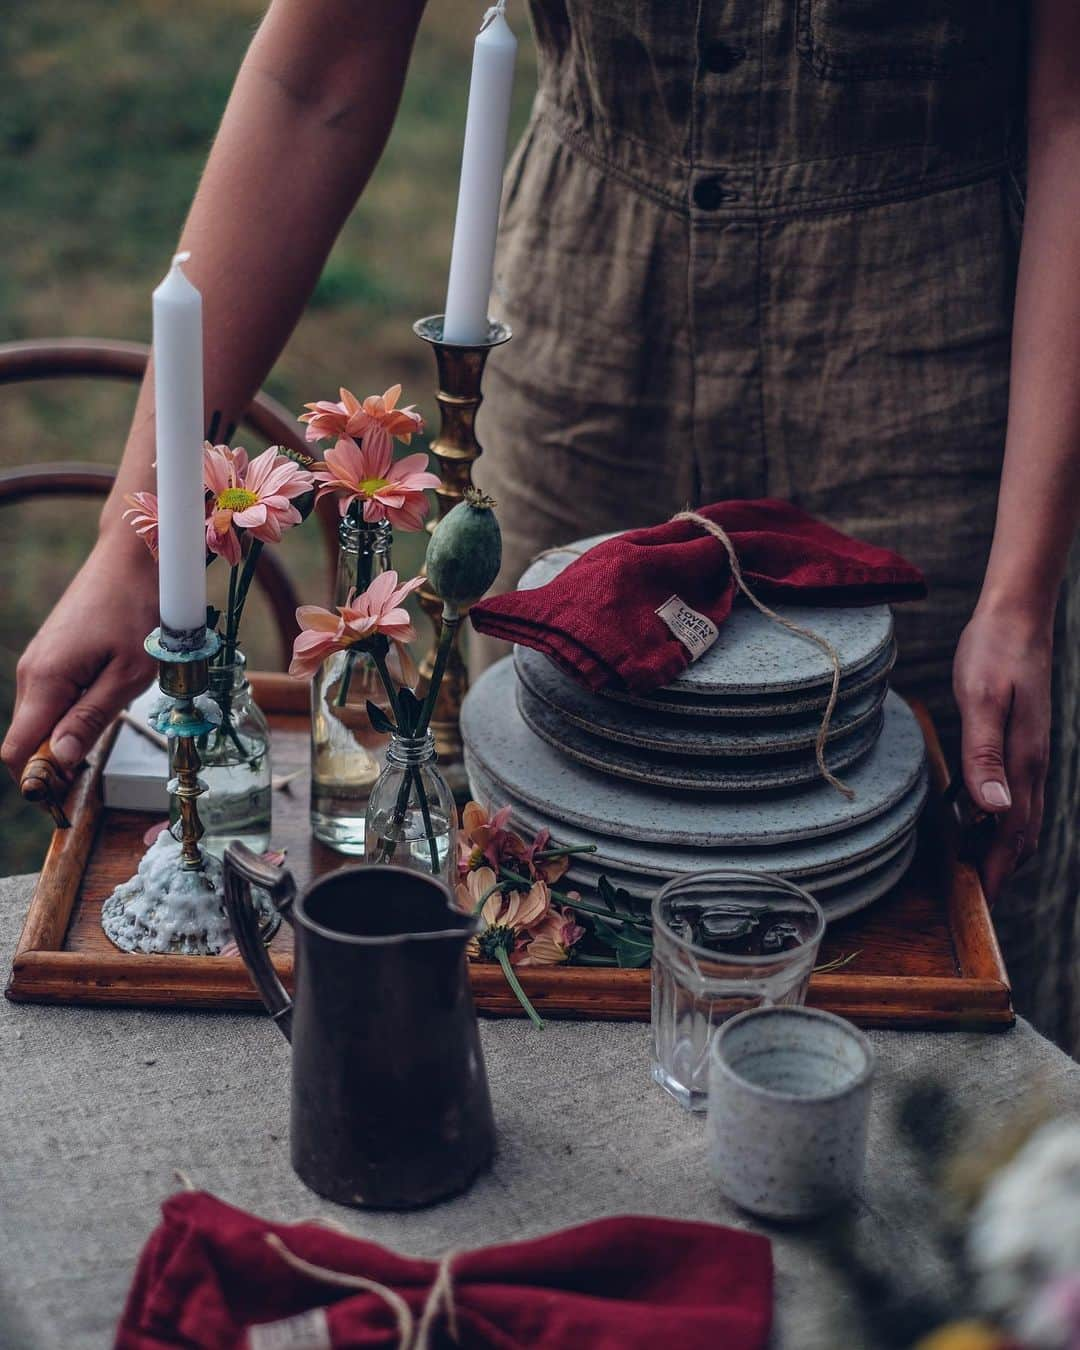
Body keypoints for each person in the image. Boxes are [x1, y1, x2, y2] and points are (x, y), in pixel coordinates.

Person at [4, 2, 1080, 1050]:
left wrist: (1023, 591)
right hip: (585, 352)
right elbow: (316, 72)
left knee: (916, 933)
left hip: (938, 374)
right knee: (543, 897)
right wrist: (142, 537)